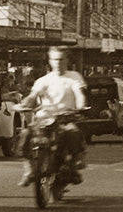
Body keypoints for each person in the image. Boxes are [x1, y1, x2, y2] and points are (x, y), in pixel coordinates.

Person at [15, 46, 87, 187]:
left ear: (67, 60)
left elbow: (79, 95)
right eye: (55, 59)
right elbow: (32, 96)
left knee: (74, 134)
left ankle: (74, 166)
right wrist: (25, 104)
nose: (58, 63)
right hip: (45, 118)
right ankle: (29, 170)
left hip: (66, 117)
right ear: (50, 61)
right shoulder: (43, 80)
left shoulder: (74, 77)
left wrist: (80, 107)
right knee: (25, 134)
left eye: (61, 59)